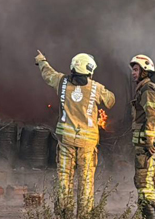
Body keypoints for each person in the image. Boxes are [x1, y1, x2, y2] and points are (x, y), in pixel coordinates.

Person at [35, 50, 115, 215]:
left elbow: (48, 74)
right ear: (89, 70)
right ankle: (84, 215)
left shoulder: (62, 82)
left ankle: (64, 213)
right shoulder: (96, 87)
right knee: (85, 180)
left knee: (64, 177)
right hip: (87, 143)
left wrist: (41, 60)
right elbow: (110, 101)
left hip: (66, 141)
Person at [129, 54, 155, 219]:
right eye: (133, 70)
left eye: (136, 69)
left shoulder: (148, 89)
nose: (133, 73)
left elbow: (152, 116)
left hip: (149, 147)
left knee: (144, 182)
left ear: (146, 71)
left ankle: (149, 216)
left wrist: (148, 141)